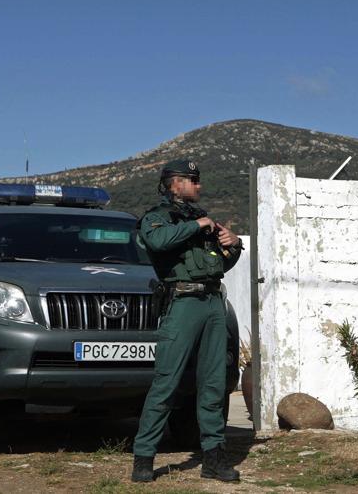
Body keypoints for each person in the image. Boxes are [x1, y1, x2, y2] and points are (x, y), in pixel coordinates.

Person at [131, 160, 244, 483]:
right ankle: (143, 458)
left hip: (212, 303)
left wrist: (233, 244)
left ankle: (213, 457)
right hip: (181, 303)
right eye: (193, 180)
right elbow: (157, 243)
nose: (199, 186)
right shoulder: (157, 218)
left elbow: (219, 264)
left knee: (213, 384)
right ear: (174, 183)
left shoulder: (200, 218)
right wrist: (198, 226)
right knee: (166, 382)